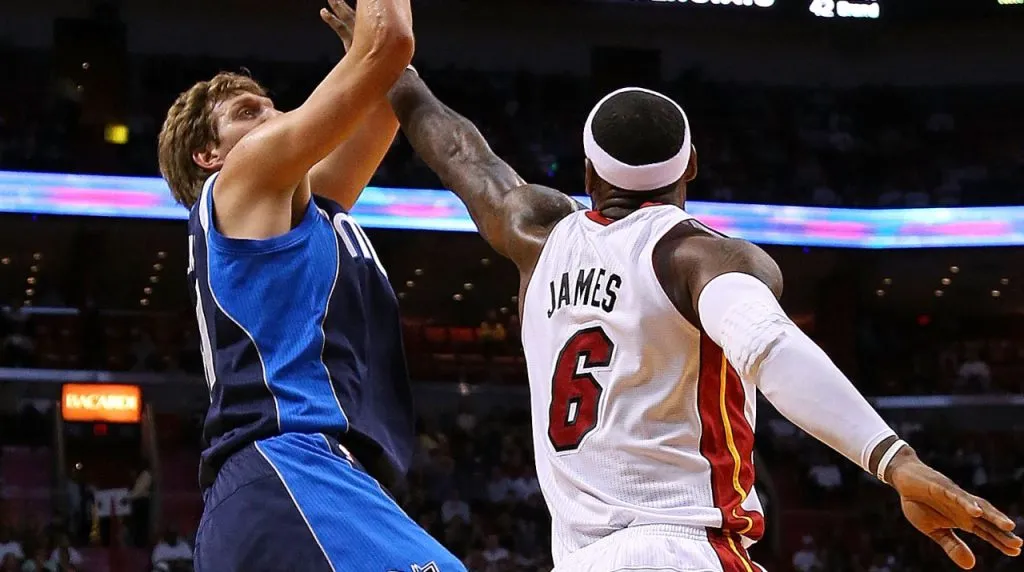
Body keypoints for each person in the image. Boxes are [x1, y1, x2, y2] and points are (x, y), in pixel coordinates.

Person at [390, 80, 1023, 570]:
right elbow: (770, 349)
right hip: (684, 547)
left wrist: (394, 68)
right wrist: (896, 461)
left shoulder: (533, 234)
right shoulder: (699, 256)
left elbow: (457, 151)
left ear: (586, 171)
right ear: (692, 163)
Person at [156, 0, 463, 570]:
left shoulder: (309, 207)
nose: (273, 118)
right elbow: (391, 39)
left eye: (273, 107)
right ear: (209, 155)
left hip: (299, 481)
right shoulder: (239, 180)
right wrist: (378, 47)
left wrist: (381, 59)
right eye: (248, 113)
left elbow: (387, 93)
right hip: (286, 466)